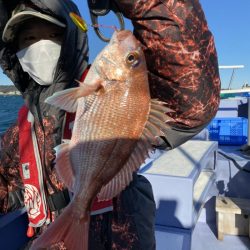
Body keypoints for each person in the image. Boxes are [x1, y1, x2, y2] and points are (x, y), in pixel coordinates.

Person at [0, 0, 221, 249]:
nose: (41, 46)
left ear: (72, 39)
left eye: (54, 35)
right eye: (28, 39)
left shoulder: (132, 95)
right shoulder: (18, 133)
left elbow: (192, 103)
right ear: (13, 51)